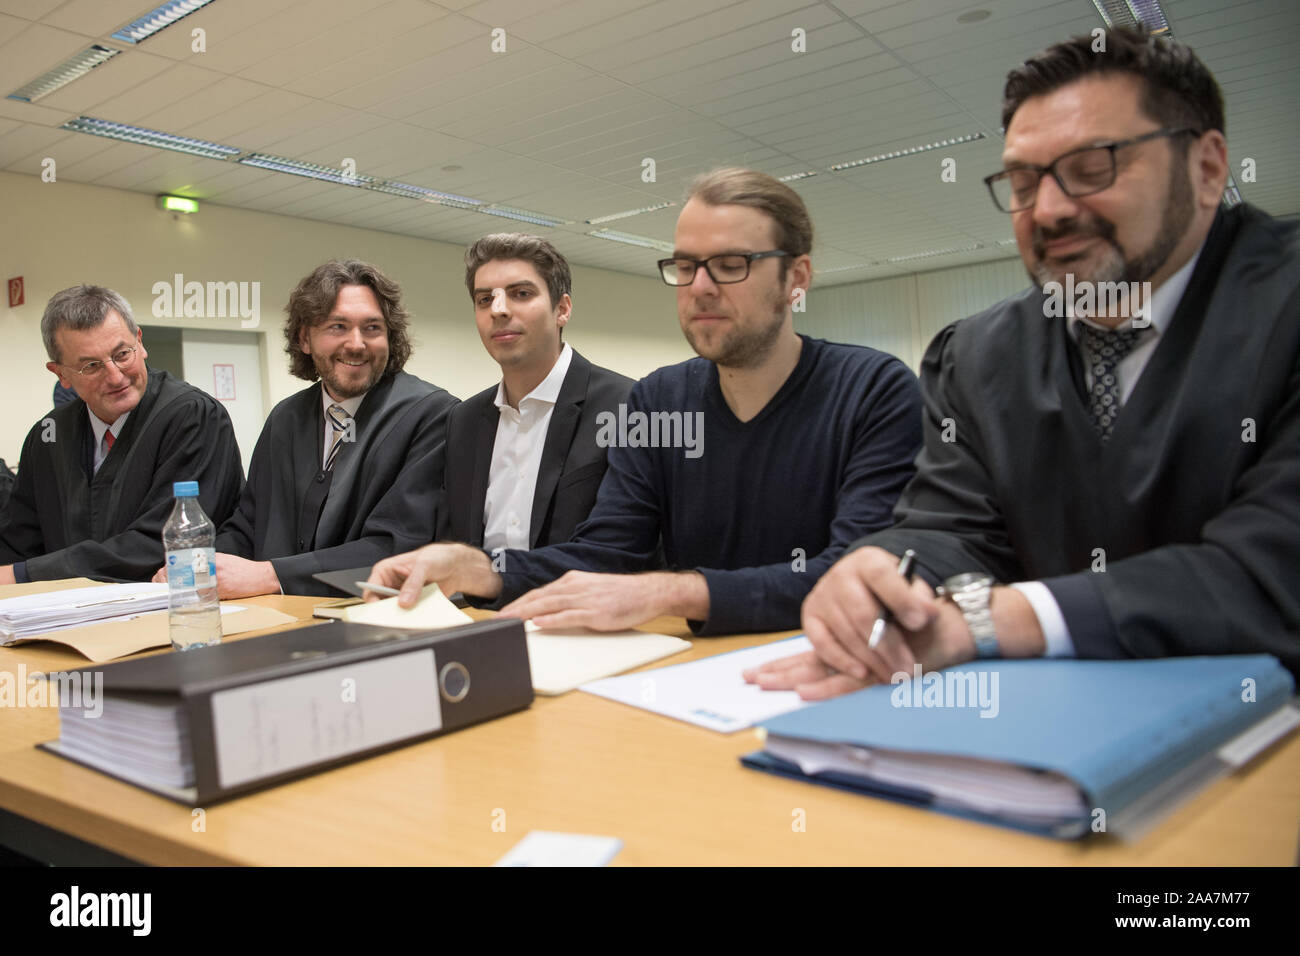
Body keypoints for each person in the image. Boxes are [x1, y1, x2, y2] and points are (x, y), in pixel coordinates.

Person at [749, 26, 1300, 698]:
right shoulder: (978, 355)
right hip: (1049, 731)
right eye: (1022, 180)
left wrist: (997, 619)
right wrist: (886, 576)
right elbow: (951, 532)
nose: (1050, 209)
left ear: (1208, 169)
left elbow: (1274, 567)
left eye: (1094, 167)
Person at [368, 168, 923, 635]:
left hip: (833, 665)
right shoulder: (661, 400)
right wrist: (481, 568)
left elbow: (857, 573)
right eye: (685, 266)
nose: (701, 286)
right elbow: (608, 553)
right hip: (693, 670)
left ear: (795, 277)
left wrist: (674, 593)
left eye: (731, 264)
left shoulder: (873, 390)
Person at [206, 259, 457, 597]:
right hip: (274, 621)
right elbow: (249, 524)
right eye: (337, 326)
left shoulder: (431, 416)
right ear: (305, 339)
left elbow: (402, 546)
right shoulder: (286, 419)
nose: (356, 344)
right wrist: (204, 566)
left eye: (372, 328)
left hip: (369, 621)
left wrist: (272, 575)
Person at [0, 285, 242, 582]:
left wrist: (26, 575)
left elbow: (162, 543)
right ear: (60, 373)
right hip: (64, 618)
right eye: (91, 366)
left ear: (139, 342)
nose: (115, 376)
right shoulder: (48, 435)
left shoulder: (192, 416)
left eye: (122, 354)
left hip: (168, 607)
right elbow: (18, 542)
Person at [443, 234, 634, 551]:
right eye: (485, 299)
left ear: (562, 309)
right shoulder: (463, 420)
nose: (498, 310)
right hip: (473, 602)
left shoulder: (626, 407)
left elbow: (629, 551)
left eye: (520, 293)